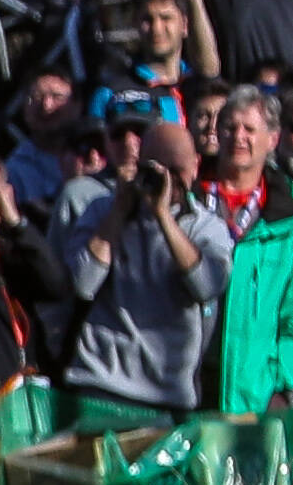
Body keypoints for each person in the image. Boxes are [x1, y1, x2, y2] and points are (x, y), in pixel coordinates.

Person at [64, 118, 234, 411]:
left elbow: (206, 287)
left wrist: (163, 217)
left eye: (177, 171)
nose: (168, 181)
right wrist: (120, 210)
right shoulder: (103, 211)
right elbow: (82, 283)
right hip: (100, 382)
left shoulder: (207, 227)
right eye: (159, 169)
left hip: (169, 392)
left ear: (195, 167)